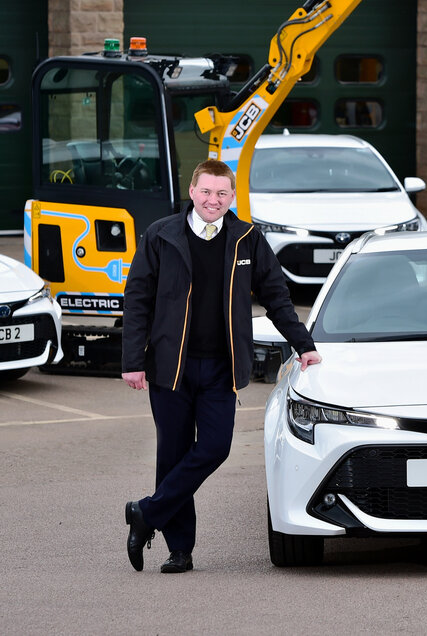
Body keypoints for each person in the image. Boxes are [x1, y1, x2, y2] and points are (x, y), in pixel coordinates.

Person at [121, 159, 321, 573]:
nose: (214, 200)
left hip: (221, 367)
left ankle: (146, 512)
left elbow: (276, 296)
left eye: (222, 193)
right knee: (172, 455)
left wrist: (303, 344)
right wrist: (132, 361)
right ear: (192, 192)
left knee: (215, 447)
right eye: (206, 192)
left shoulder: (247, 237)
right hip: (169, 366)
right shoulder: (161, 235)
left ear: (232, 197)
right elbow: (138, 299)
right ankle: (180, 549)